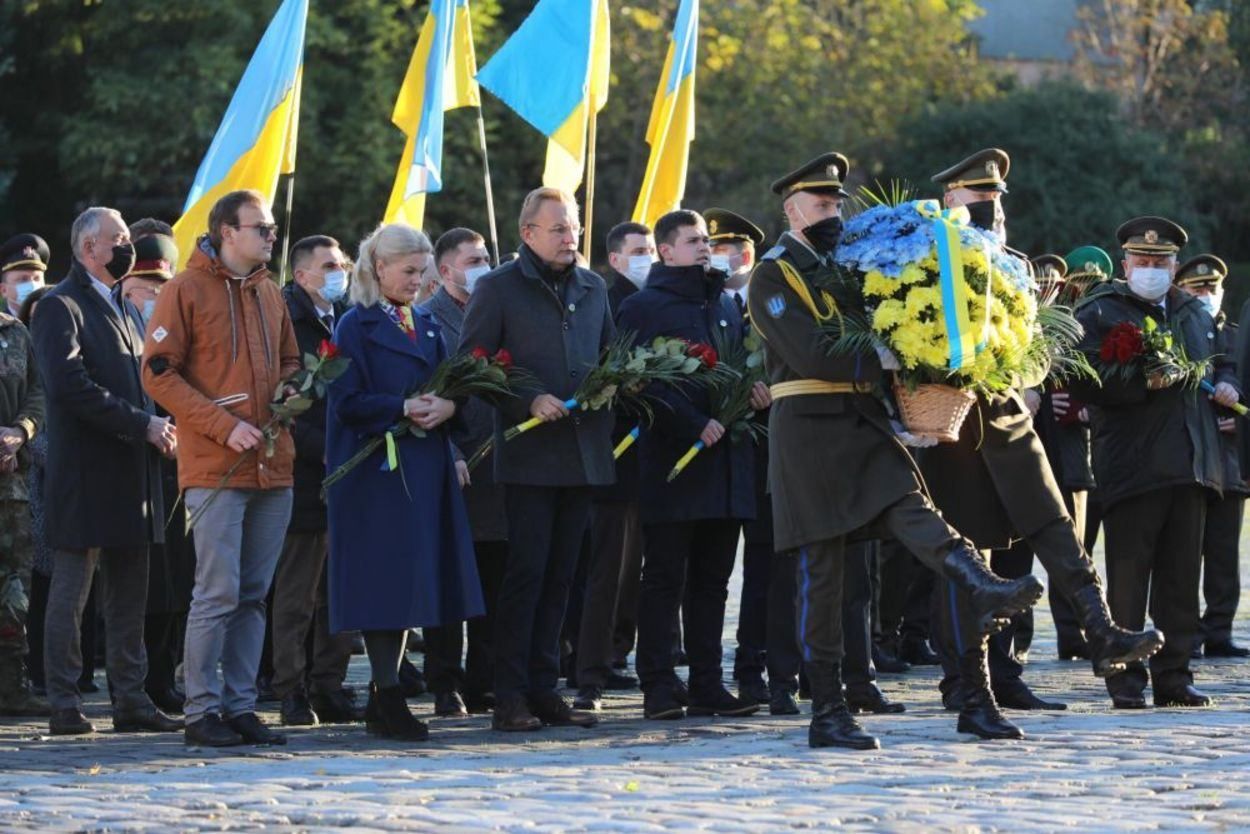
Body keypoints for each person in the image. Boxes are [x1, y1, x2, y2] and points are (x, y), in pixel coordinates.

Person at [746, 152, 1044, 750]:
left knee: (913, 506)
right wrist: (887, 356)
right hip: (808, 432)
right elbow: (811, 354)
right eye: (822, 204)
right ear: (792, 209)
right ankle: (828, 709)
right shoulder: (774, 275)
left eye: (837, 204)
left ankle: (980, 583)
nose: (833, 213)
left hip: (862, 424)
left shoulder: (847, 267)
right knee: (824, 577)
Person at [922, 150, 1164, 736]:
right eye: (980, 197)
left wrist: (1028, 380)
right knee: (969, 560)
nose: (992, 207)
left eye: (997, 198)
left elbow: (1034, 340)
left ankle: (1102, 629)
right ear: (950, 200)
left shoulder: (1015, 262)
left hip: (1009, 413)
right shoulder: (923, 255)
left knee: (1054, 524)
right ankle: (972, 690)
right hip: (956, 423)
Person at [142, 189, 298, 747]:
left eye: (272, 228)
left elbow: (289, 361)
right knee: (218, 591)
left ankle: (240, 706)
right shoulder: (184, 289)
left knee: (254, 592)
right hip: (215, 468)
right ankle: (200, 711)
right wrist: (221, 425)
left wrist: (294, 391)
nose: (270, 236)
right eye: (260, 227)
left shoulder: (270, 291)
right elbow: (158, 373)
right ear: (227, 232)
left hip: (273, 466)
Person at [459, 187, 614, 732]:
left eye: (572, 227)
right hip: (528, 458)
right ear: (527, 234)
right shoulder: (498, 288)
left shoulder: (594, 287)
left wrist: (615, 385)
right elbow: (473, 366)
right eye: (558, 229)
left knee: (562, 578)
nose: (570, 237)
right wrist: (526, 400)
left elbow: (610, 358)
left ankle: (547, 688)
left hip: (582, 454)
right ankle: (510, 695)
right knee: (525, 576)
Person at [325, 222, 485, 741]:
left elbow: (454, 388)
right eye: (409, 271)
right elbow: (345, 401)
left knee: (417, 579)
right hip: (377, 473)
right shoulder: (355, 325)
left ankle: (388, 693)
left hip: (423, 468)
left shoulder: (428, 326)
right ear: (379, 268)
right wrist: (399, 407)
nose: (418, 281)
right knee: (384, 583)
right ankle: (387, 691)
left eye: (423, 272)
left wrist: (449, 406)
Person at [1070, 217, 1238, 707]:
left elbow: (1220, 360)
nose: (1150, 268)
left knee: (1181, 579)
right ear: (1125, 264)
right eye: (1141, 261)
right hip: (1133, 465)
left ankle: (1174, 675)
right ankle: (1125, 678)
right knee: (1129, 578)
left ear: (1175, 266)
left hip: (1192, 463)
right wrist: (1142, 383)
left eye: (1160, 261)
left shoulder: (1193, 311)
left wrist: (1230, 387)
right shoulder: (1101, 310)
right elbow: (1084, 377)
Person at [31, 206, 181, 736]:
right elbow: (70, 386)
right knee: (72, 594)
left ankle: (131, 697)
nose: (128, 248)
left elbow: (141, 380)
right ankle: (64, 702)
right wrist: (141, 424)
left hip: (133, 474)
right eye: (118, 239)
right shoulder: (60, 305)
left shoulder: (119, 304)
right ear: (88, 248)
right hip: (88, 475)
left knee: (130, 594)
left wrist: (161, 422)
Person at [617, 209, 765, 721]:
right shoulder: (644, 307)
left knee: (713, 581)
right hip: (673, 464)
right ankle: (658, 684)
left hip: (725, 464)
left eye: (706, 240)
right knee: (663, 578)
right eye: (692, 241)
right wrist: (689, 422)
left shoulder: (724, 302)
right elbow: (638, 383)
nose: (704, 247)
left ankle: (707, 682)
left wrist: (752, 390)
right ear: (666, 251)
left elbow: (738, 367)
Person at [706, 207, 804, 714]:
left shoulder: (770, 299)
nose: (723, 258)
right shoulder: (703, 304)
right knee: (714, 571)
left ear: (748, 254)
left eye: (730, 249)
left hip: (768, 448)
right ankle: (709, 671)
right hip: (717, 452)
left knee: (769, 567)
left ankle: (759, 669)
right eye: (714, 247)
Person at [270, 234, 361, 726]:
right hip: (304, 474)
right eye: (328, 265)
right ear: (302, 274)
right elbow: (281, 404)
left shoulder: (346, 318)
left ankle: (331, 683)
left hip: (349, 471)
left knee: (340, 589)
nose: (338, 271)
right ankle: (290, 688)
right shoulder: (286, 321)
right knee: (297, 594)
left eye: (342, 263)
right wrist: (320, 450)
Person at [419, 227, 508, 717]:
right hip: (456, 465)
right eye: (472, 260)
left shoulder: (496, 310)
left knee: (494, 577)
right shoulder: (431, 320)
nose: (483, 266)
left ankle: (485, 678)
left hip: (498, 465)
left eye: (486, 257)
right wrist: (450, 449)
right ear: (446, 270)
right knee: (452, 580)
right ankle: (444, 680)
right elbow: (431, 394)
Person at [572, 221, 654, 712]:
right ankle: (594, 662)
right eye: (638, 251)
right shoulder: (610, 300)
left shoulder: (649, 301)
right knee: (608, 567)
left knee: (632, 567)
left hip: (643, 454)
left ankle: (617, 651)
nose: (646, 258)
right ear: (616, 259)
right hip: (614, 451)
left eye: (650, 250)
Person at [115, 232, 195, 715]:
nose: (155, 296)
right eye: (146, 286)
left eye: (162, 286)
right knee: (140, 586)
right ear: (126, 287)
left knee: (177, 581)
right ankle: (133, 681)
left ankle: (164, 676)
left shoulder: (179, 331)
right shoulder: (114, 326)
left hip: (181, 468)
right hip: (131, 467)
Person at [1175, 255, 1248, 659]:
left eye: (1211, 289)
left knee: (1223, 555)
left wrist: (1242, 425)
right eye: (1196, 289)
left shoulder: (1238, 338)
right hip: (1187, 461)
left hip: (1230, 461)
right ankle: (1185, 632)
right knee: (1184, 552)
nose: (1206, 296)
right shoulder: (1175, 335)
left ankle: (1219, 629)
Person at [0, 267, 46, 717]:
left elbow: (38, 392)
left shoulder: (15, 334)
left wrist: (20, 431)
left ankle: (12, 688)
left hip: (11, 482)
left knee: (15, 586)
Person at [1, 234, 49, 318]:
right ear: (4, 290)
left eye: (37, 278)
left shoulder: (57, 322)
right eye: (23, 279)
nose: (32, 284)